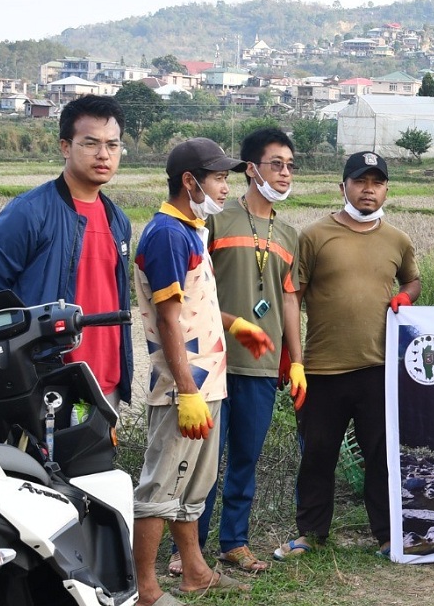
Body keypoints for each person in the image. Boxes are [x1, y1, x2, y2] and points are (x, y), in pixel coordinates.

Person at [132, 138, 274, 605]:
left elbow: (197, 306)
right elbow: (169, 319)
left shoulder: (193, 230)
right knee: (160, 487)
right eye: (217, 178)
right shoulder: (167, 234)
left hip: (208, 380)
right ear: (190, 181)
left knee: (193, 485)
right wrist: (187, 390)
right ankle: (148, 588)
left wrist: (237, 326)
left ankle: (195, 571)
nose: (224, 185)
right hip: (183, 386)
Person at [275, 151, 420, 561]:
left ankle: (389, 534)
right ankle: (311, 533)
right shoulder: (315, 236)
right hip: (322, 368)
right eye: (360, 181)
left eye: (376, 182)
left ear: (387, 189)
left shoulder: (397, 240)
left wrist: (405, 297)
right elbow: (292, 296)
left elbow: (413, 280)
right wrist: (294, 358)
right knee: (318, 454)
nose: (368, 189)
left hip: (377, 368)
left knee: (380, 456)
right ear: (344, 187)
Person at [179, 128, 305, 575]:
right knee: (202, 461)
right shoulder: (216, 220)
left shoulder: (290, 234)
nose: (285, 173)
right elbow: (193, 290)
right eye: (276, 164)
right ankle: (187, 549)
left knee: (245, 459)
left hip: (262, 366)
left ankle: (234, 542)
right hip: (210, 362)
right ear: (251, 169)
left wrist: (297, 362)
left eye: (290, 165)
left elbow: (289, 300)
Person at [0, 95, 134, 412]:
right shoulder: (31, 212)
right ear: (65, 147)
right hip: (44, 383)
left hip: (104, 384)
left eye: (113, 146)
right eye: (90, 144)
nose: (103, 155)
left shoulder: (119, 220)